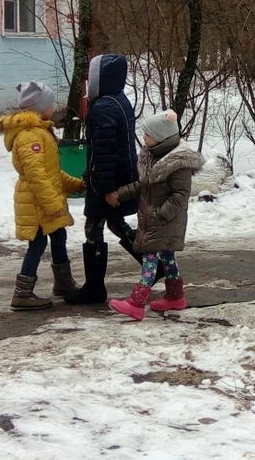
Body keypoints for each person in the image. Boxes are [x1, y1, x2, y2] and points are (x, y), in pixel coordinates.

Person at [66, 53, 159, 305]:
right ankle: (154, 265)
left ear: (102, 78)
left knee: (93, 229)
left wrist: (105, 187)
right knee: (116, 224)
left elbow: (106, 150)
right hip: (117, 176)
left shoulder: (103, 107)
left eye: (92, 76)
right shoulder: (118, 101)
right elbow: (108, 148)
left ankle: (94, 288)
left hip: (108, 181)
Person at [109, 110, 205, 320]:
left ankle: (137, 302)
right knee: (168, 257)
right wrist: (120, 194)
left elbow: (181, 195)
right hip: (157, 220)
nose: (144, 139)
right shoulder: (153, 156)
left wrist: (160, 215)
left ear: (161, 137)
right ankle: (175, 296)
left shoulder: (178, 163)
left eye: (147, 135)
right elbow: (143, 186)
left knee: (150, 258)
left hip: (165, 220)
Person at [0, 82, 83, 311]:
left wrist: (77, 185)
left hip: (43, 199)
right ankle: (22, 293)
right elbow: (36, 176)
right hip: (36, 202)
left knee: (58, 235)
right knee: (38, 242)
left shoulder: (40, 132)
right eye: (50, 103)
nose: (53, 107)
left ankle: (63, 283)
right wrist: (53, 204)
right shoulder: (30, 136)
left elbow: (50, 171)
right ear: (39, 107)